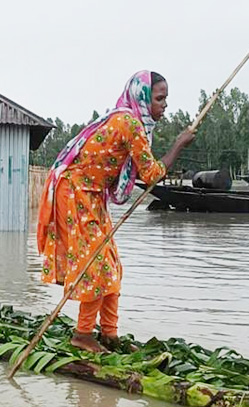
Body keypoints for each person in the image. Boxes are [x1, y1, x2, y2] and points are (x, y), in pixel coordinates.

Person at [37, 71, 195, 353]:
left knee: (112, 265)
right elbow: (151, 173)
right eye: (160, 99)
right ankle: (83, 334)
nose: (164, 105)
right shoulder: (129, 123)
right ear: (143, 99)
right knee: (95, 265)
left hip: (92, 194)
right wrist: (179, 145)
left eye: (166, 99)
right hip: (74, 191)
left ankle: (109, 333)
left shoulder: (132, 123)